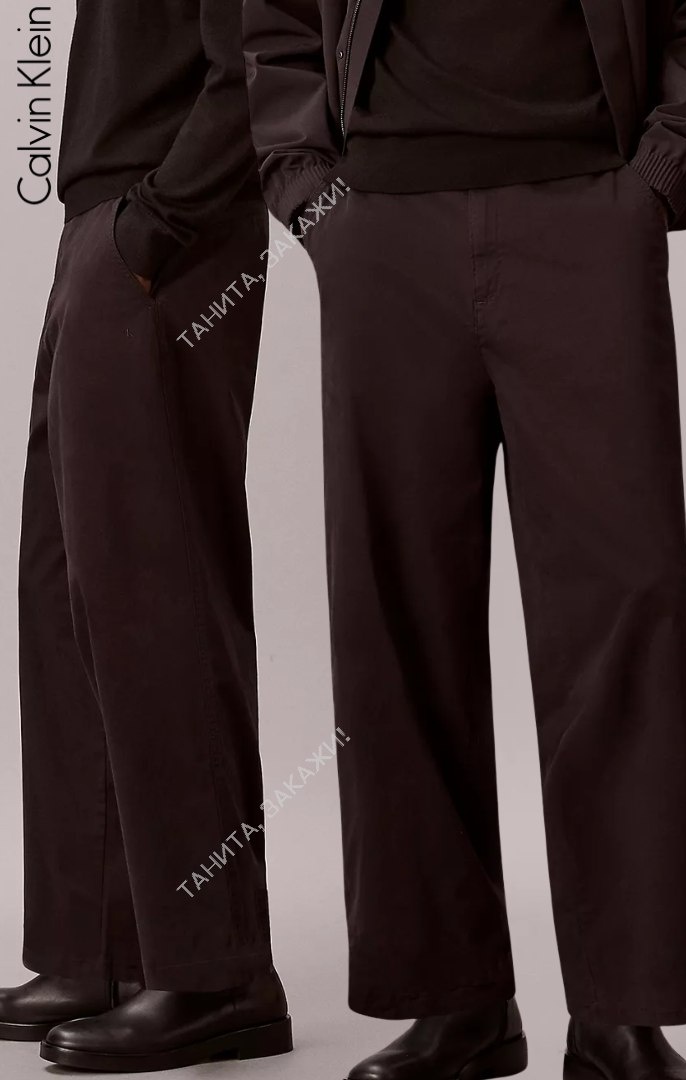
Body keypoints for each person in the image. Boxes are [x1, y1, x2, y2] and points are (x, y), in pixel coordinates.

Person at [243, 0, 686, 1076]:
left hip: (588, 209)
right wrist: (309, 187)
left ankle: (621, 1013)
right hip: (382, 221)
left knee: (621, 616)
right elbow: (272, 18)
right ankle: (455, 1002)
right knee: (395, 622)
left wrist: (660, 173)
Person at [0, 0, 291, 1071]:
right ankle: (99, 948)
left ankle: (216, 970)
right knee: (65, 587)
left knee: (155, 593)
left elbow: (257, 53)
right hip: (105, 221)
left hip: (166, 230)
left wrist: (158, 221)